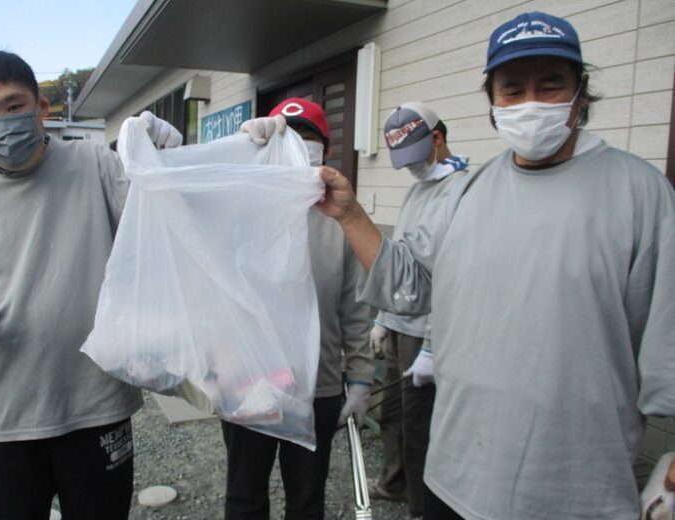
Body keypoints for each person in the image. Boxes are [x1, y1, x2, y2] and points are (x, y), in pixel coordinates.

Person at [314, 11, 675, 520]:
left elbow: (667, 348)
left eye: (550, 86)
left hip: (577, 494)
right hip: (454, 477)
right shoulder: (468, 194)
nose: (530, 102)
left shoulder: (641, 194)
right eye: (512, 89)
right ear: (492, 103)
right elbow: (410, 290)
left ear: (580, 94)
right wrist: (350, 213)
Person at [0, 50, 181, 519]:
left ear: (42, 107)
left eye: (15, 107)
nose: (2, 121)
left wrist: (165, 163)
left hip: (97, 397)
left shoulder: (96, 165)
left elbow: (161, 226)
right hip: (4, 406)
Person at [221, 97, 374, 520]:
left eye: (308, 139)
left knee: (307, 498)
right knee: (245, 496)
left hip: (317, 387)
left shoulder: (339, 217)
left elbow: (355, 306)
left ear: (324, 149)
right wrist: (235, 156)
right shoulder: (240, 209)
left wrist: (360, 377)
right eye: (286, 137)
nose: (297, 147)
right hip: (249, 382)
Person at [366, 103, 469, 520]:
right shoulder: (417, 189)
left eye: (415, 156)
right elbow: (400, 262)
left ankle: (423, 507)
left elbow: (451, 275)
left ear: (438, 138)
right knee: (392, 415)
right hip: (396, 323)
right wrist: (380, 319)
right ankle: (394, 481)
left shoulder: (461, 190)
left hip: (424, 330)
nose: (411, 168)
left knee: (419, 424)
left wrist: (431, 344)